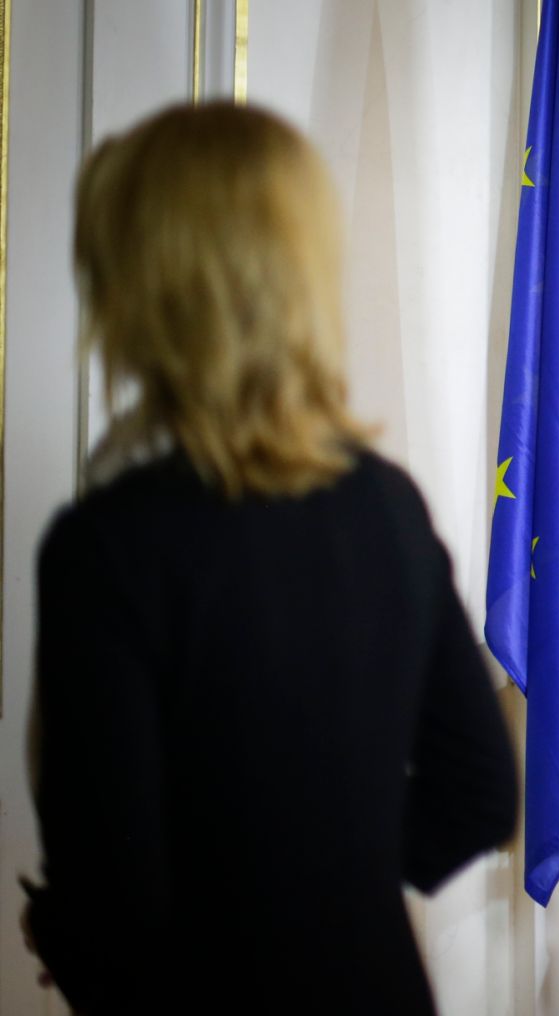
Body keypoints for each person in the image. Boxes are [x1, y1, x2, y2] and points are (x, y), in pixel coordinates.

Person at [24, 104, 518, 1014]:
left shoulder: (108, 548)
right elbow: (482, 794)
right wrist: (336, 881)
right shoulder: (387, 506)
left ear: (144, 286)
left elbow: (111, 902)